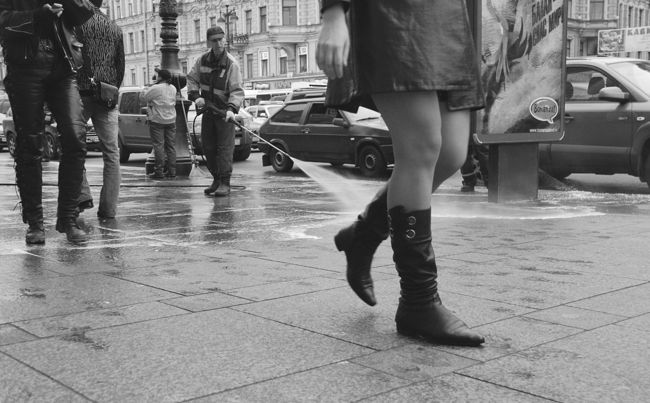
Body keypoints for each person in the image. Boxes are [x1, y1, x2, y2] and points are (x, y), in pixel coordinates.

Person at [317, 1, 485, 346]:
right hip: (392, 12)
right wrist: (333, 13)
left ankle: (363, 235)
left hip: (448, 16)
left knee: (451, 154)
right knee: (420, 148)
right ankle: (419, 301)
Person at [0, 0, 95, 244]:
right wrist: (36, 16)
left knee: (75, 138)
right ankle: (35, 223)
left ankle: (68, 218)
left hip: (62, 64)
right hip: (24, 67)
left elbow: (86, 10)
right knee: (30, 145)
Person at [76, 0, 125, 219]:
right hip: (107, 96)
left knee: (73, 147)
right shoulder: (115, 28)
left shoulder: (76, 24)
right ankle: (108, 209)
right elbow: (120, 66)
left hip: (80, 92)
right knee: (112, 153)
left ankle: (82, 196)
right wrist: (111, 89)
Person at [187, 26, 245, 197]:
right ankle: (216, 179)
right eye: (214, 40)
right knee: (208, 148)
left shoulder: (231, 64)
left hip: (224, 114)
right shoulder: (202, 60)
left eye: (221, 39)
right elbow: (191, 79)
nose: (218, 43)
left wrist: (231, 109)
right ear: (208, 42)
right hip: (208, 112)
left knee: (224, 149)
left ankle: (225, 182)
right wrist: (196, 96)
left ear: (224, 39)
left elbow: (237, 91)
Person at [144, 68, 177, 179]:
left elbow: (144, 97)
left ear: (160, 77)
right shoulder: (173, 88)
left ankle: (159, 171)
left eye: (157, 75)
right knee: (171, 146)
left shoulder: (156, 88)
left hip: (157, 120)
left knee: (159, 146)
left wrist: (149, 88)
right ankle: (172, 171)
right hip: (171, 120)